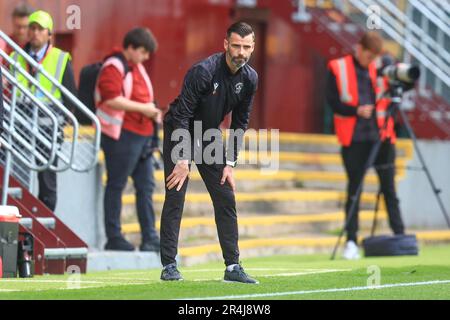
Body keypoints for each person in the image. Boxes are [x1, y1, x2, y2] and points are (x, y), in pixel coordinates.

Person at [160, 22, 259, 283]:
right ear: (225, 44)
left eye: (246, 47)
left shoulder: (250, 79)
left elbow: (240, 121)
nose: (241, 52)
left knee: (226, 196)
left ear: (253, 48)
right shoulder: (203, 72)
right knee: (176, 194)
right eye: (236, 45)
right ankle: (169, 265)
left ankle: (233, 267)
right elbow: (182, 114)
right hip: (179, 129)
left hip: (208, 135)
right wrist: (182, 158)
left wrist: (230, 163)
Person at [326, 31, 405, 260]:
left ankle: (400, 235)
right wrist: (356, 111)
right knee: (355, 190)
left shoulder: (381, 68)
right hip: (354, 139)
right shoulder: (337, 67)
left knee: (389, 188)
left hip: (382, 136)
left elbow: (398, 90)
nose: (371, 61)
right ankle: (351, 241)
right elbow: (332, 102)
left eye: (374, 58)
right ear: (359, 48)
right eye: (368, 56)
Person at [96, 28, 162, 252]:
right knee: (116, 184)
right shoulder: (114, 66)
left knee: (146, 186)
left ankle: (150, 238)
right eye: (143, 52)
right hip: (122, 135)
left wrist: (151, 112)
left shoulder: (136, 66)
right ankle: (113, 237)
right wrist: (145, 108)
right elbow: (111, 99)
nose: (146, 57)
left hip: (142, 136)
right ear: (131, 48)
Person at [9, 10, 77, 211]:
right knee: (18, 173)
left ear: (49, 34)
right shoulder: (15, 56)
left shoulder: (61, 58)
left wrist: (60, 122)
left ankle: (44, 219)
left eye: (40, 29)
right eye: (32, 28)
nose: (35, 33)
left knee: (47, 178)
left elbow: (70, 96)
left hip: (48, 127)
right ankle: (17, 213)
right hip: (20, 122)